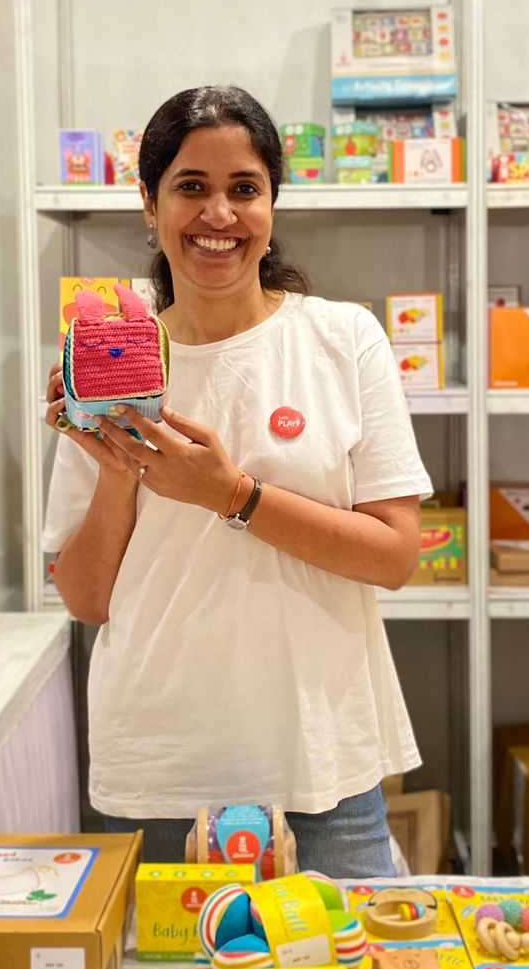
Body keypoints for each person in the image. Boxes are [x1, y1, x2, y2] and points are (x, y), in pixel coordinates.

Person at [43, 84, 431, 871]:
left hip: (321, 766)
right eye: (191, 188)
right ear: (149, 206)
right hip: (159, 771)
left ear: (272, 206)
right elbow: (87, 600)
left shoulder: (342, 338)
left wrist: (232, 495)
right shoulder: (110, 361)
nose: (218, 215)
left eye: (243, 190)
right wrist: (121, 468)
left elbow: (394, 556)